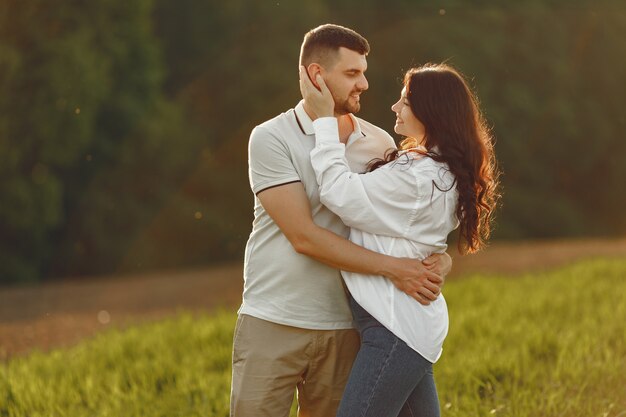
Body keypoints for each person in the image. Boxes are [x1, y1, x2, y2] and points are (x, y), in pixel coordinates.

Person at [230, 24, 453, 417]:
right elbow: (304, 237)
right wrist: (397, 270)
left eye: (363, 71)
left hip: (348, 328)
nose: (364, 83)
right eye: (352, 74)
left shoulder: (381, 144)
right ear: (317, 75)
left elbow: (410, 220)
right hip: (274, 320)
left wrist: (440, 258)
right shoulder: (270, 138)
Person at [299, 62, 500, 417]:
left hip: (394, 333)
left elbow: (337, 192)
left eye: (404, 100)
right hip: (406, 330)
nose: (395, 107)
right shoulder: (435, 169)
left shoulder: (419, 177)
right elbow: (418, 239)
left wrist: (324, 123)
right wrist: (444, 258)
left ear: (430, 111)